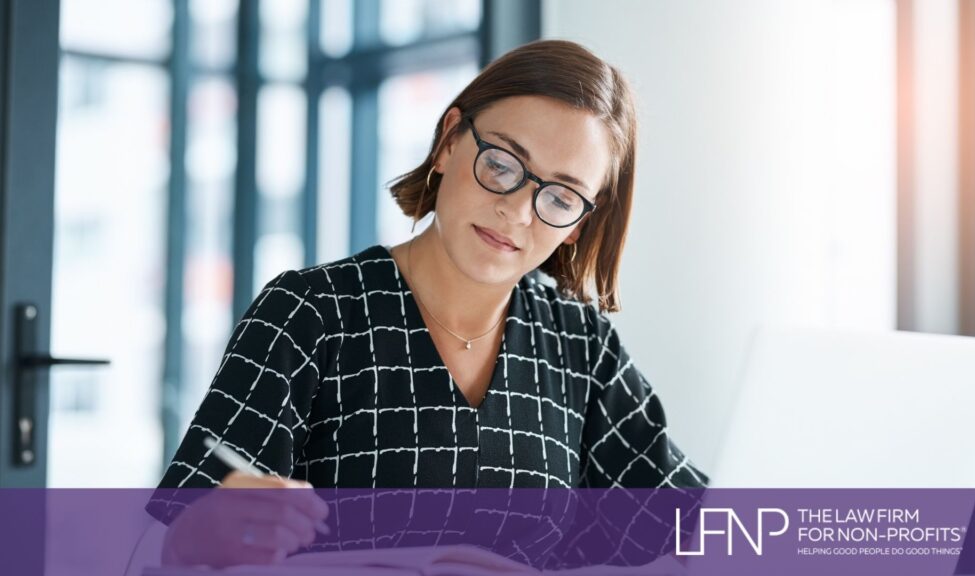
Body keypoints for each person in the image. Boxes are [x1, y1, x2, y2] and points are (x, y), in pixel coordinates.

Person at [149, 38, 708, 568]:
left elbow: (702, 526)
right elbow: (174, 545)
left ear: (579, 224)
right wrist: (206, 532)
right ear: (448, 142)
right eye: (502, 165)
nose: (517, 212)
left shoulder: (579, 345)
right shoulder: (310, 314)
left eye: (560, 197)